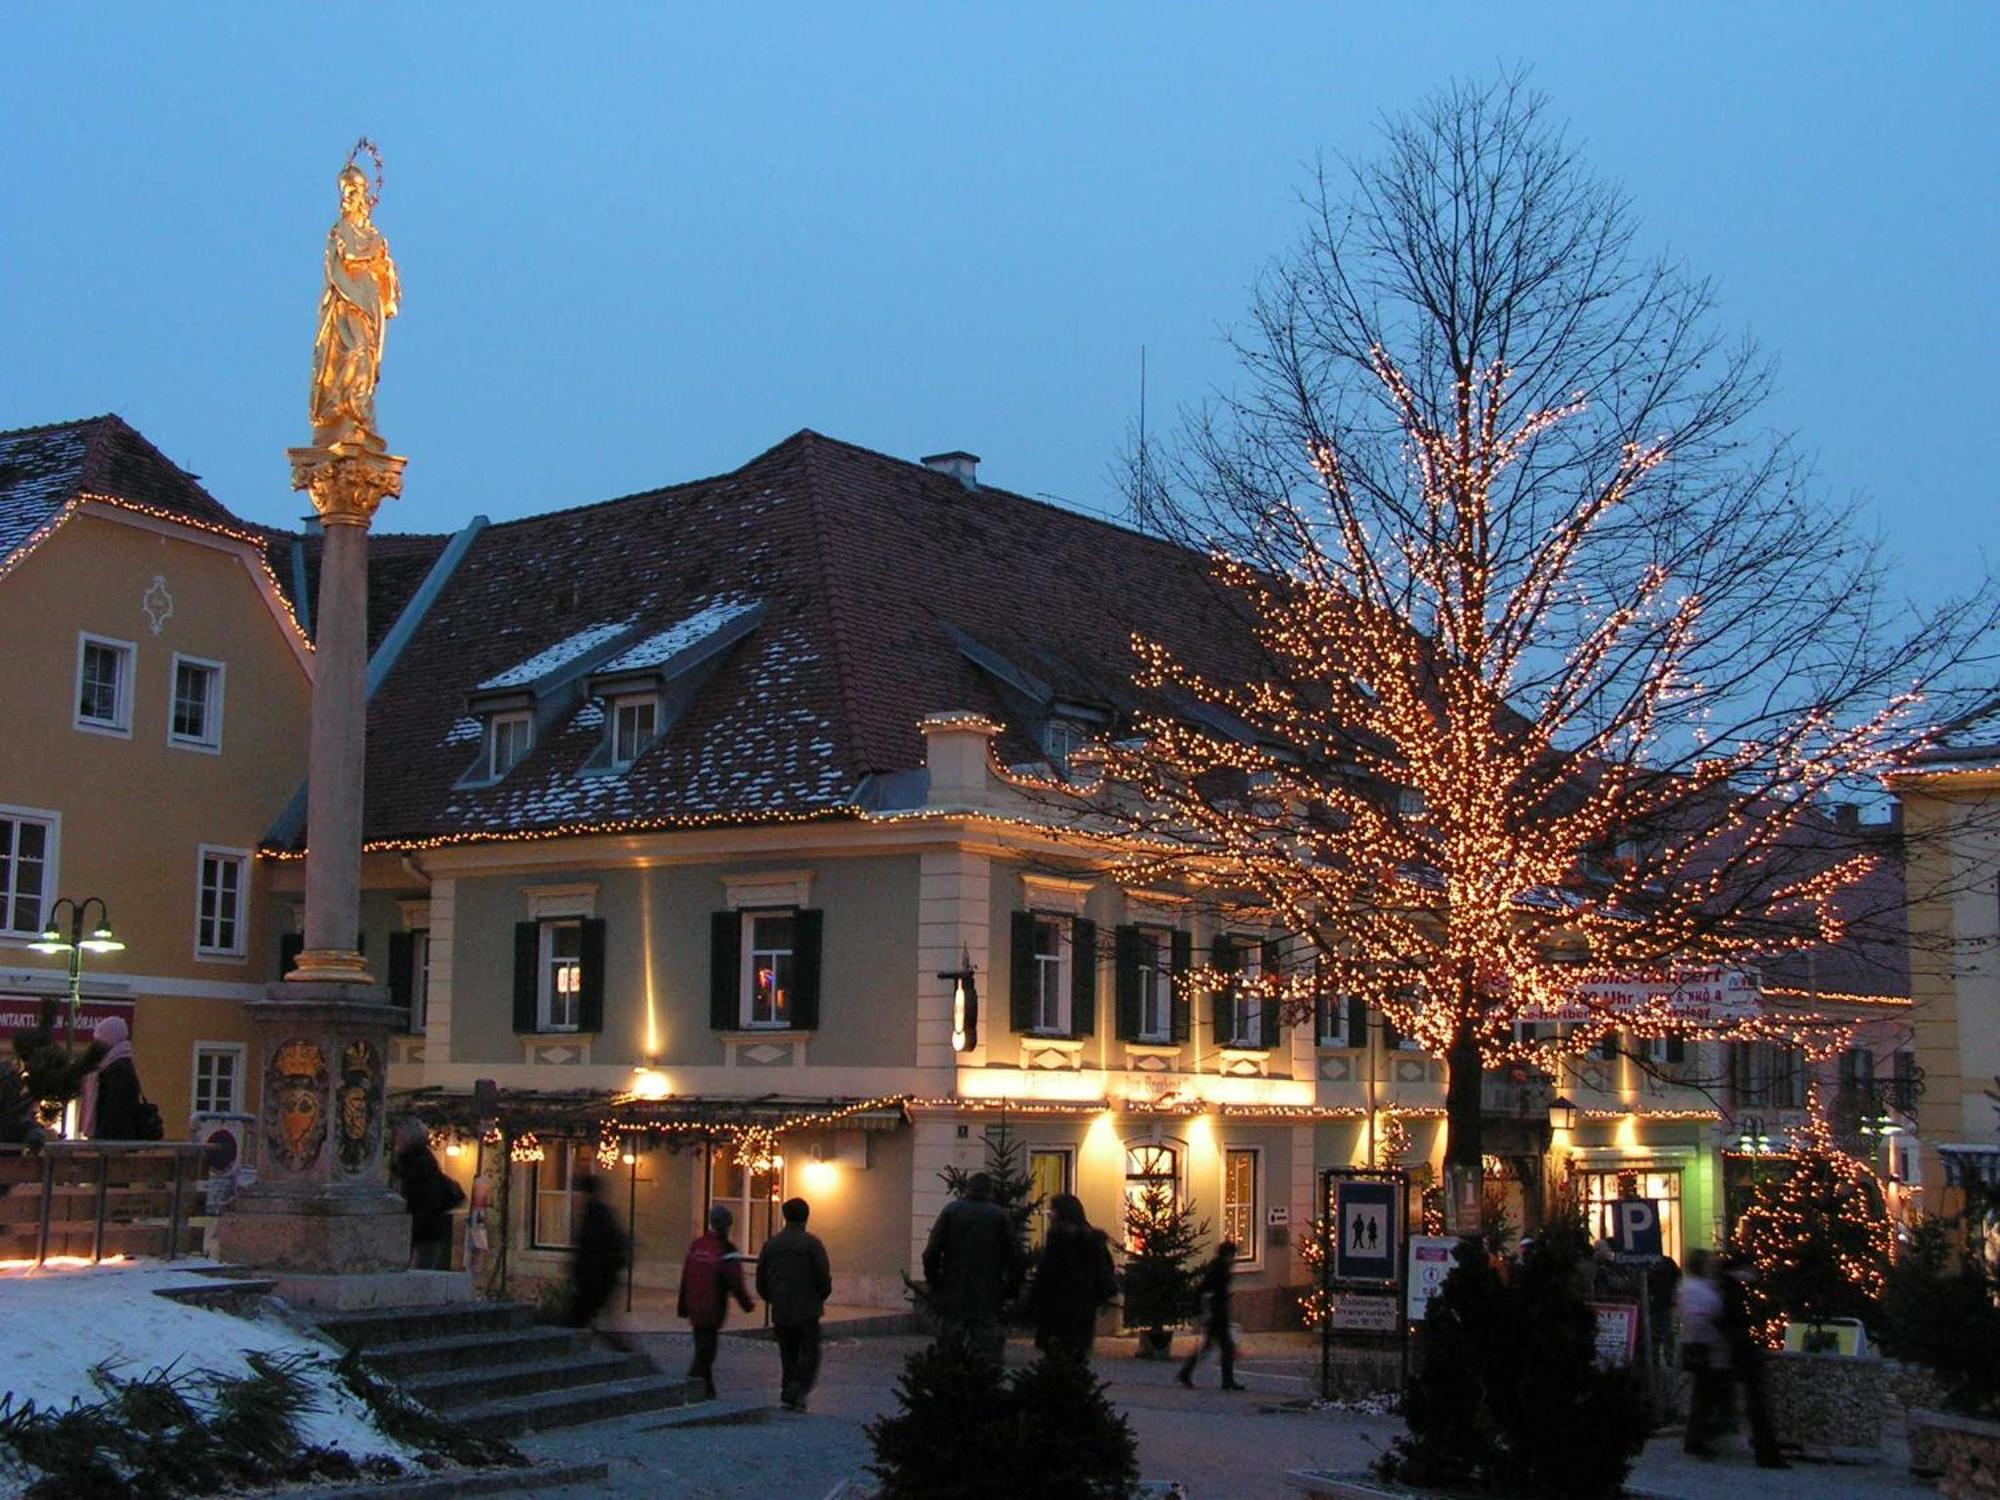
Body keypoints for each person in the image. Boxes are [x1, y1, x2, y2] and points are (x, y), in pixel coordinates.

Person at [922, 1171, 1021, 1361]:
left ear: (968, 1189)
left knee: (949, 1352)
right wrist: (1010, 1289)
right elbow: (1017, 1256)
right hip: (989, 1291)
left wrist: (935, 1283)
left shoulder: (951, 1211)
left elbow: (931, 1253)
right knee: (987, 1354)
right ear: (990, 1191)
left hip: (954, 1289)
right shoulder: (1000, 1215)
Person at [756, 1197, 833, 1410]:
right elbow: (823, 1278)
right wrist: (820, 1297)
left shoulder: (771, 1244)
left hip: (781, 1309)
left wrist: (772, 1298)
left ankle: (788, 1388)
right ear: (806, 1217)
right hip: (807, 1309)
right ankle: (797, 1387)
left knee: (787, 1353)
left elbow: (761, 1279)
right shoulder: (812, 1244)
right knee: (809, 1351)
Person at [1028, 1193, 1119, 1362]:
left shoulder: (1058, 1238)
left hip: (1056, 1305)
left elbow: (1047, 1274)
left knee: (1055, 1355)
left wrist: (1033, 1301)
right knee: (1077, 1354)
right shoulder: (1093, 1239)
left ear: (1061, 1213)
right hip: (1084, 1305)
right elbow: (1104, 1269)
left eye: (1052, 1210)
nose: (1049, 1214)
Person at [678, 1204, 755, 1399]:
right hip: (713, 1305)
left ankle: (708, 1390)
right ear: (728, 1225)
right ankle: (688, 1388)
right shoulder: (727, 1249)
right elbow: (734, 1280)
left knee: (702, 1345)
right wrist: (747, 1304)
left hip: (695, 1303)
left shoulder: (697, 1245)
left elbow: (686, 1274)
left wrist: (683, 1304)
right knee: (707, 1351)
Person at [1720, 1253, 1788, 1469]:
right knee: (1757, 1403)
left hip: (1738, 1351)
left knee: (1750, 1402)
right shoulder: (1731, 1290)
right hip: (1742, 1352)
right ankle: (1766, 1452)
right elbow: (1735, 1319)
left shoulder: (1727, 1288)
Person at [1677, 1249, 1730, 1458]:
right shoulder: (1694, 1288)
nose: (1713, 1264)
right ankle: (1698, 1439)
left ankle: (1701, 1436)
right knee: (1704, 1393)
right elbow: (1698, 1316)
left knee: (1705, 1393)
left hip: (1707, 1344)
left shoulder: (1700, 1286)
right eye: (1709, 1261)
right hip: (1703, 1345)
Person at [391, 1117, 462, 1270]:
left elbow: (424, 1199)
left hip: (423, 1233)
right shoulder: (417, 1162)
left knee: (418, 1275)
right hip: (422, 1232)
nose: (396, 1140)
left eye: (399, 1136)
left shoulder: (416, 1164)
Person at [1177, 1241, 1245, 1391]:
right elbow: (1205, 1290)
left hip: (1217, 1313)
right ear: (1226, 1255)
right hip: (1216, 1314)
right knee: (1226, 1347)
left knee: (1209, 1347)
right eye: (1232, 1255)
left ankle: (1186, 1372)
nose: (1233, 1259)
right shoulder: (1219, 1269)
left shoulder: (1219, 1268)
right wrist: (1203, 1311)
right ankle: (1227, 1381)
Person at [569, 1170, 628, 1333]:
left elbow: (590, 1249)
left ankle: (630, 1355)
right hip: (598, 1278)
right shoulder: (599, 1213)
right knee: (600, 1322)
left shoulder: (595, 1215)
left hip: (596, 1278)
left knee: (579, 1319)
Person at [80, 1016, 144, 1140]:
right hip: (115, 1134)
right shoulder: (114, 1064)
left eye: (100, 1039)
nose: (97, 1043)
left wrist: (103, 1134)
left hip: (114, 1136)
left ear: (109, 1039)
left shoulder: (117, 1068)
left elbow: (115, 1106)